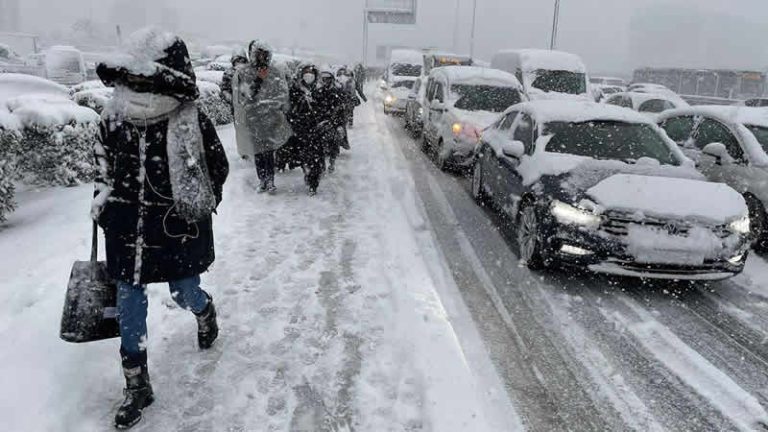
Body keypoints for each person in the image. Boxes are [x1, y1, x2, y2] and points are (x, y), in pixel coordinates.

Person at [93, 28, 229, 430]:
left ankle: (204, 311)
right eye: (130, 78)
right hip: (126, 229)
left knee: (183, 291)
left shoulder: (189, 118)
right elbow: (101, 166)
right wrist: (103, 203)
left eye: (143, 78)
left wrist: (196, 206)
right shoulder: (113, 116)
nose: (134, 85)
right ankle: (136, 384)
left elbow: (216, 168)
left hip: (175, 228)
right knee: (129, 302)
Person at [232, 40, 291, 193]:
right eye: (258, 54)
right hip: (253, 118)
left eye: (265, 54)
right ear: (253, 55)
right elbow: (245, 95)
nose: (262, 58)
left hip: (271, 118)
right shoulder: (244, 72)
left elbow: (282, 94)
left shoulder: (276, 72)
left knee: (269, 151)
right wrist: (258, 79)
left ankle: (270, 180)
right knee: (258, 150)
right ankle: (262, 180)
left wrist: (273, 106)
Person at [287, 63, 323, 196]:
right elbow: (289, 108)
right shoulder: (295, 89)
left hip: (317, 129)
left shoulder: (319, 90)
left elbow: (324, 108)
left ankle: (313, 182)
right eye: (306, 72)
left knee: (315, 158)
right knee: (304, 156)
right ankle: (307, 173)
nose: (309, 75)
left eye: (311, 72)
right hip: (300, 128)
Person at [314, 67, 347, 174]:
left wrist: (339, 124)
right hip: (321, 123)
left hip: (334, 122)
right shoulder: (317, 91)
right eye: (323, 79)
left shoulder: (337, 91)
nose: (325, 81)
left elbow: (341, 109)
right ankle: (322, 165)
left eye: (327, 79)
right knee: (319, 146)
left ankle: (332, 163)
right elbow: (314, 108)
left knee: (334, 144)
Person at [220, 48, 248, 113]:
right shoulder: (229, 73)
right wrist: (231, 99)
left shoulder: (249, 73)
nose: (240, 64)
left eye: (242, 61)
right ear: (233, 62)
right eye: (237, 61)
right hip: (235, 107)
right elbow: (224, 89)